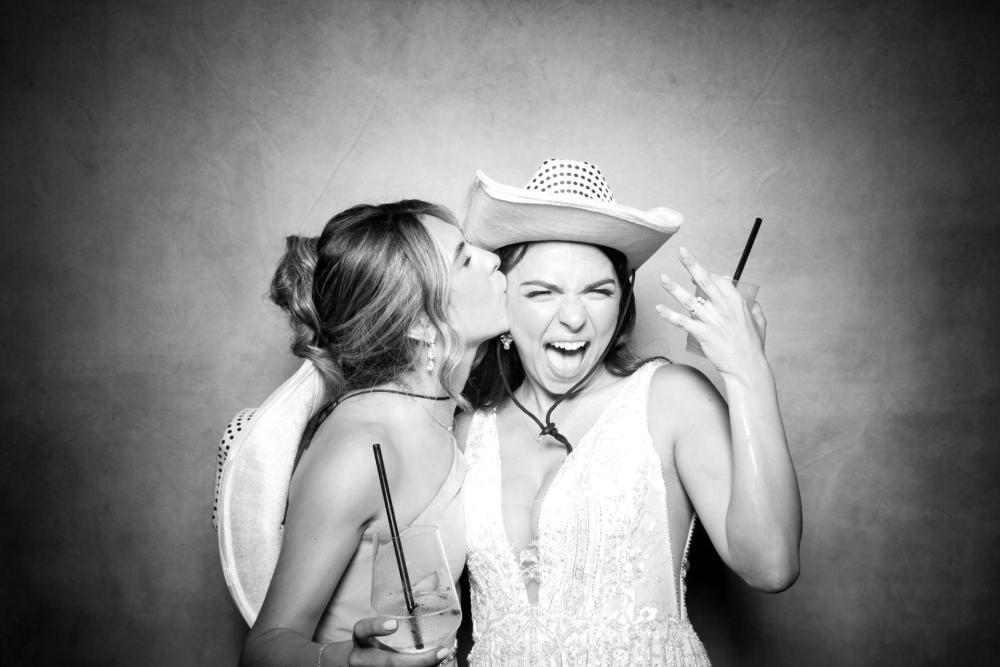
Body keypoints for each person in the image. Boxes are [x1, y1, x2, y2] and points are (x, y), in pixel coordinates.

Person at [457, 160, 802, 665]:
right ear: (504, 302)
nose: (573, 317)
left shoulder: (670, 399)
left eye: (598, 291)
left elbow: (772, 566)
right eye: (541, 292)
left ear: (622, 302)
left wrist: (748, 371)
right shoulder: (467, 428)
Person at [240, 200, 508, 667]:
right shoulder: (363, 448)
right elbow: (263, 650)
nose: (493, 258)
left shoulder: (440, 415)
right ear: (421, 324)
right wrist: (353, 661)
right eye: (465, 259)